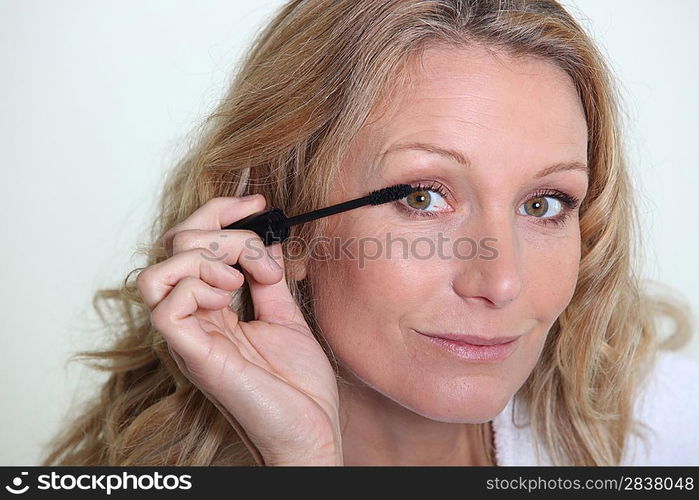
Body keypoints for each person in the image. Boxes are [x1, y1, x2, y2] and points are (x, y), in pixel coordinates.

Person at [41, 0, 698, 466]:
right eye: (422, 197)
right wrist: (303, 460)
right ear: (277, 232)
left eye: (543, 203)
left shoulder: (669, 430)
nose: (500, 282)